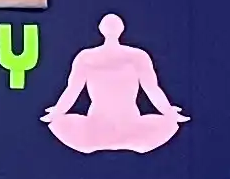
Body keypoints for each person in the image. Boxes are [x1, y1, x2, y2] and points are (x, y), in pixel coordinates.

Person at [43, 17, 187, 153]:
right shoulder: (137, 56)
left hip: (114, 128)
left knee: (61, 122)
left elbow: (72, 91)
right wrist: (168, 111)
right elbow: (152, 89)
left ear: (101, 29)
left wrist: (58, 111)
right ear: (121, 29)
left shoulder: (87, 57)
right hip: (109, 126)